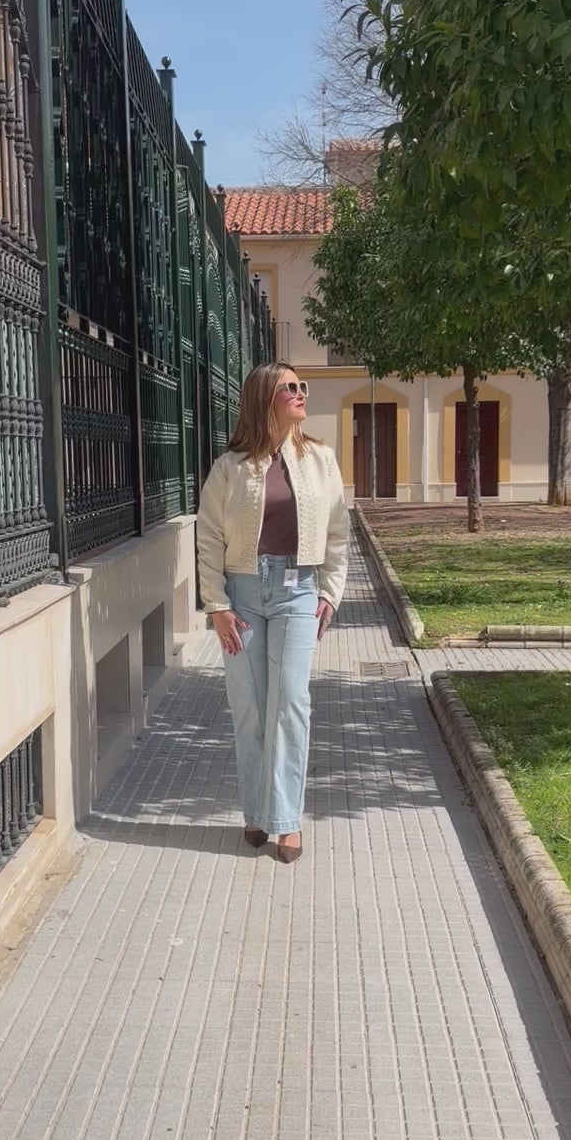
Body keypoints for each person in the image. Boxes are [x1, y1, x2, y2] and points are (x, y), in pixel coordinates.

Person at [196, 363, 349, 863]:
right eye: (290, 388)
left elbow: (337, 531)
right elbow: (208, 538)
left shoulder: (320, 459)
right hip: (240, 596)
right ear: (265, 398)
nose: (301, 393)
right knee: (250, 707)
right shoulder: (230, 467)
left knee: (290, 703)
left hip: (298, 591)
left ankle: (286, 820)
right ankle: (257, 813)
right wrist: (217, 606)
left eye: (302, 386)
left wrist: (330, 593)